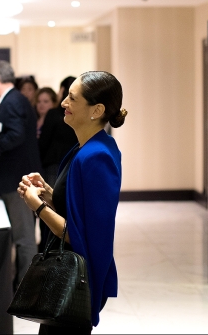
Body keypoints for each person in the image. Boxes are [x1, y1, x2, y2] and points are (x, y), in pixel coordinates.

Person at [17, 71, 127, 334]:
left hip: (75, 281)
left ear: (96, 110)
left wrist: (38, 206)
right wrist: (47, 192)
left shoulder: (96, 155)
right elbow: (78, 206)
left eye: (72, 98)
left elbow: (78, 234)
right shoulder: (86, 147)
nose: (63, 103)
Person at [0, 60, 41, 288]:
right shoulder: (12, 101)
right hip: (12, 179)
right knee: (20, 238)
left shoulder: (12, 102)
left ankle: (27, 289)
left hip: (17, 181)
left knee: (24, 239)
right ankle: (19, 285)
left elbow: (16, 135)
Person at [37, 77, 77, 252]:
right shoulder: (79, 116)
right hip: (72, 164)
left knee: (49, 208)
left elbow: (43, 142)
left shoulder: (54, 114)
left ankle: (47, 248)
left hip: (54, 165)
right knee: (66, 208)